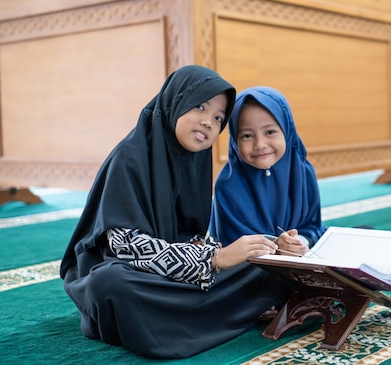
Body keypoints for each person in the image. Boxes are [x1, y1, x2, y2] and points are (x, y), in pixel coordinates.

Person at [59, 66, 292, 359]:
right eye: (200, 107)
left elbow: (189, 239)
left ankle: (239, 304)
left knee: (264, 262)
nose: (208, 122)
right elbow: (125, 247)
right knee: (111, 283)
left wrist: (249, 250)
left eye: (219, 118)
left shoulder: (195, 162)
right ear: (175, 101)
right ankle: (240, 307)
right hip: (127, 272)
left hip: (176, 277)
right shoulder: (129, 158)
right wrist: (215, 258)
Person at [210, 86, 327, 256]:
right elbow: (231, 247)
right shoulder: (228, 185)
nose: (260, 144)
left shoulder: (303, 172)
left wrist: (299, 241)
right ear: (234, 140)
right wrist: (276, 247)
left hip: (302, 259)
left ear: (287, 131)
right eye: (247, 136)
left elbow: (312, 226)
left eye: (270, 132)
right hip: (250, 270)